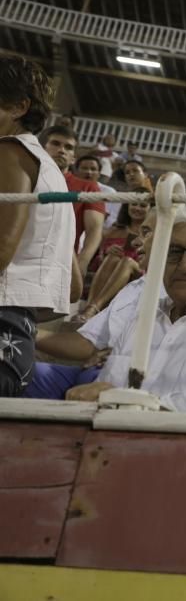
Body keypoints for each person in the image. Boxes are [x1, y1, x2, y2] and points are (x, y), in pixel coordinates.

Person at [30, 206, 186, 413]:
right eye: (173, 252)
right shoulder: (143, 312)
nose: (184, 265)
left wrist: (131, 404)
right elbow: (98, 363)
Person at [0, 55, 75, 396]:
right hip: (19, 326)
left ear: (17, 107)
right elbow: (74, 285)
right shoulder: (51, 171)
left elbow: (1, 247)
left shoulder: (10, 152)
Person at [75, 188, 151, 322]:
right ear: (127, 206)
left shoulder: (155, 232)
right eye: (134, 204)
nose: (137, 208)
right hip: (113, 273)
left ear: (150, 208)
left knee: (126, 261)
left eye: (143, 205)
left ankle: (93, 308)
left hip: (142, 274)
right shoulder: (114, 230)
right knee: (113, 258)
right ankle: (89, 309)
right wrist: (106, 253)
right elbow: (99, 262)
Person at [39, 125, 106, 272]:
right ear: (41, 148)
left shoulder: (89, 187)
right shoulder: (24, 179)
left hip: (59, 263)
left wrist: (81, 264)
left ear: (73, 158)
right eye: (55, 143)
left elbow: (94, 231)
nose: (62, 150)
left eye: (68, 147)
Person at [74, 153, 120, 229]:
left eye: (93, 169)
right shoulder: (67, 187)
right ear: (76, 172)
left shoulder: (108, 191)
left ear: (99, 174)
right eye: (84, 168)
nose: (89, 172)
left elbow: (102, 218)